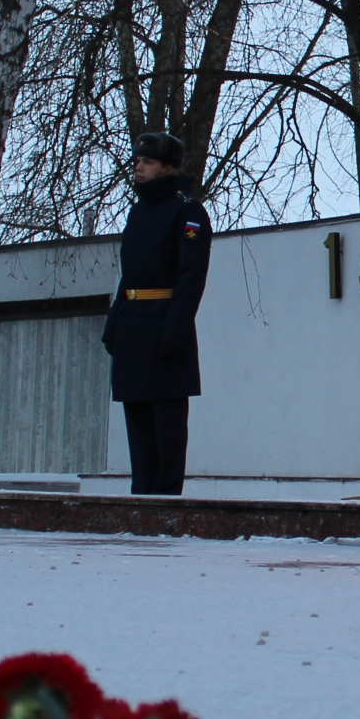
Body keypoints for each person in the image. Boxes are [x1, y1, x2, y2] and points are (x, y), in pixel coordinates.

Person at [103, 131, 212, 495]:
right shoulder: (138, 212)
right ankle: (141, 498)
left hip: (164, 326)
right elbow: (130, 273)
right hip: (134, 327)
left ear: (167, 167)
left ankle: (165, 502)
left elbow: (191, 277)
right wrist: (114, 323)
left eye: (147, 161)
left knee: (166, 427)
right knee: (137, 424)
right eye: (137, 161)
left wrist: (174, 331)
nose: (138, 167)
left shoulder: (187, 210)